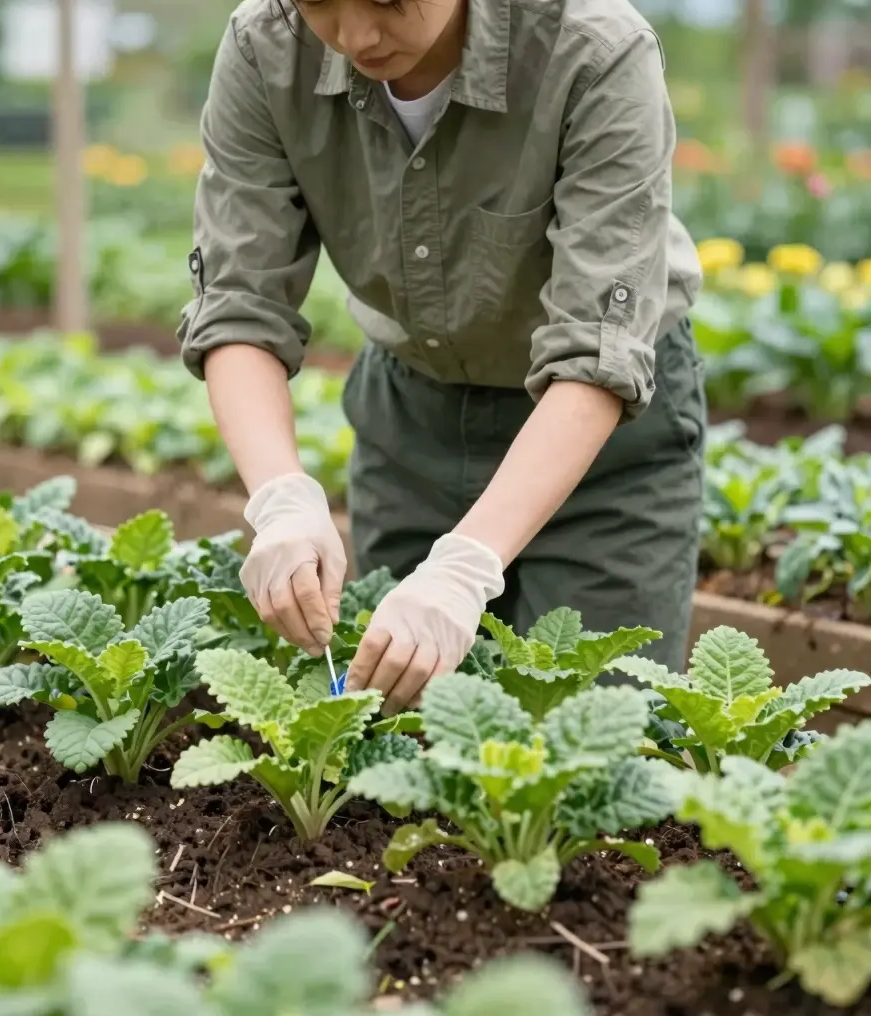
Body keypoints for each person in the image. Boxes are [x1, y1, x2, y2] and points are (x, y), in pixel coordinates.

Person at [179, 0, 705, 717]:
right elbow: (240, 302)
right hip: (411, 428)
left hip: (604, 449)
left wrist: (464, 568)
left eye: (387, 0)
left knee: (591, 736)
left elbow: (598, 351)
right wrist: (281, 499)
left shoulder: (593, 50)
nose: (356, 37)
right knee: (397, 741)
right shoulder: (265, 46)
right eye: (320, 3)